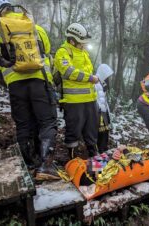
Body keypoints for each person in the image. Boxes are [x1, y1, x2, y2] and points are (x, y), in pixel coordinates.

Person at [0, 0, 58, 180]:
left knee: (24, 124)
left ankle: (29, 166)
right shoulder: (35, 28)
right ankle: (45, 166)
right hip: (39, 82)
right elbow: (48, 54)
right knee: (47, 122)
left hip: (16, 86)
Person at [54, 23, 99, 160]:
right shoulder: (63, 52)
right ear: (72, 40)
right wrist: (90, 78)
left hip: (90, 100)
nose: (83, 45)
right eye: (81, 43)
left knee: (91, 132)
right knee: (73, 132)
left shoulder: (84, 53)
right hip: (73, 102)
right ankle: (73, 162)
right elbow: (69, 72)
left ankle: (97, 166)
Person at [95, 64, 114, 153]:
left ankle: (104, 148)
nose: (108, 78)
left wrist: (107, 112)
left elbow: (104, 100)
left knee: (106, 131)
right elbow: (97, 99)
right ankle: (100, 149)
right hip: (99, 113)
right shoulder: (96, 84)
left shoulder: (102, 84)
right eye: (107, 75)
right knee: (101, 132)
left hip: (104, 112)